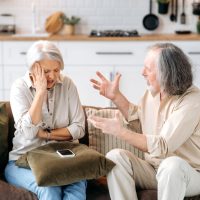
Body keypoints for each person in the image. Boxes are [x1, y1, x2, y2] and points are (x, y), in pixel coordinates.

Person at [89, 43, 200, 200]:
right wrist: (116, 97)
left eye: (148, 69)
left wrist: (120, 132)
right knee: (115, 157)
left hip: (189, 174)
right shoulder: (153, 93)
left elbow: (162, 146)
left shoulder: (192, 101)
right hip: (154, 169)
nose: (142, 72)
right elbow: (139, 121)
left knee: (172, 166)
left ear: (165, 73)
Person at [4, 40, 87, 200]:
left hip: (63, 159)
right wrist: (40, 92)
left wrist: (46, 134)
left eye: (56, 70)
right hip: (23, 161)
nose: (53, 77)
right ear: (32, 69)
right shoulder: (19, 87)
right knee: (49, 188)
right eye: (46, 71)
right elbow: (29, 132)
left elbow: (79, 128)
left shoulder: (68, 85)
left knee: (76, 187)